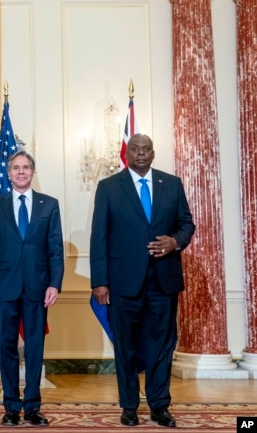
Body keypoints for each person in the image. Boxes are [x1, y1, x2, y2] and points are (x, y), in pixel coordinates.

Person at [90, 133, 195, 428]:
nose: (140, 153)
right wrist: (99, 282)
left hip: (164, 281)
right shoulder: (109, 188)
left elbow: (187, 224)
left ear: (153, 153)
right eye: (135, 149)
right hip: (123, 282)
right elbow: (99, 236)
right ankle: (129, 406)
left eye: (145, 149)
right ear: (127, 153)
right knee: (126, 346)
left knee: (162, 345)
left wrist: (175, 241)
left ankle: (160, 406)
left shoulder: (171, 184)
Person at [0, 150, 64, 427]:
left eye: (26, 167)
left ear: (32, 171)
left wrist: (54, 283)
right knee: (6, 347)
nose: (21, 172)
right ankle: (11, 407)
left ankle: (33, 407)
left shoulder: (49, 205)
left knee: (35, 348)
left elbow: (55, 250)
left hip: (38, 288)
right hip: (4, 288)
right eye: (16, 167)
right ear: (8, 172)